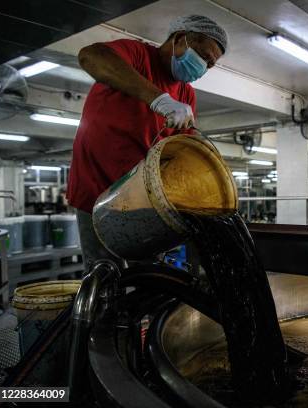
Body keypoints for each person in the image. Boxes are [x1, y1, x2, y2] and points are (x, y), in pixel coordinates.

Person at [67, 15, 228, 272]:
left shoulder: (186, 93)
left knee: (148, 277)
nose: (204, 68)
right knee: (106, 274)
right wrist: (159, 100)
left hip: (143, 197)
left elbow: (179, 150)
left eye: (210, 65)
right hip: (97, 187)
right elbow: (90, 56)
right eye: (203, 56)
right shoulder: (138, 55)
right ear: (179, 39)